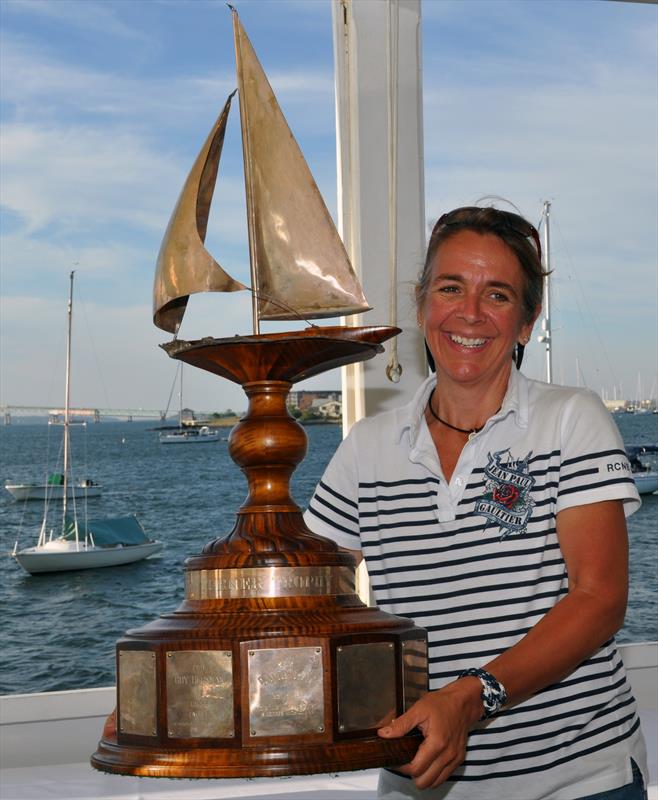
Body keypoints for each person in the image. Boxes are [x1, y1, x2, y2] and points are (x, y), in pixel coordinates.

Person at [304, 205, 648, 800]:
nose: (469, 313)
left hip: (579, 782)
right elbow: (305, 605)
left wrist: (469, 698)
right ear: (421, 306)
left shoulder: (572, 419)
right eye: (450, 288)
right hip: (420, 783)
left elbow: (600, 600)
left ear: (526, 323)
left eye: (497, 295)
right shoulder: (368, 447)